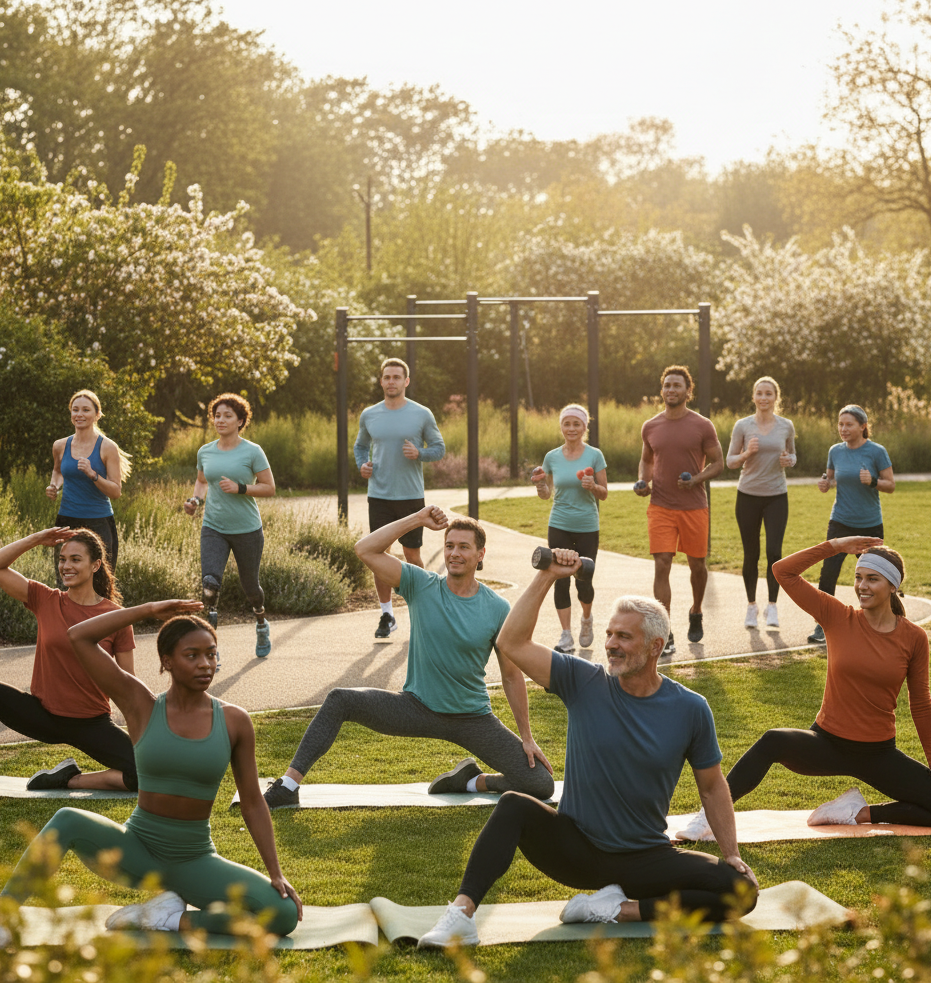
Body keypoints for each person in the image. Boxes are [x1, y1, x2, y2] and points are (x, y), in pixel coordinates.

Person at [417, 551, 758, 948]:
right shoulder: (583, 680)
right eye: (610, 634)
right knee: (513, 804)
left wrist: (730, 852)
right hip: (576, 848)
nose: (610, 645)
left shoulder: (691, 708)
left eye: (623, 637)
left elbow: (713, 787)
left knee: (742, 891)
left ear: (655, 647)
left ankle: (613, 909)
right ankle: (460, 916)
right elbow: (511, 641)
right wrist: (547, 576)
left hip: (645, 857)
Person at [0, 601, 301, 941]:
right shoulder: (141, 705)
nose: (205, 664)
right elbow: (79, 637)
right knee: (67, 819)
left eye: (211, 654)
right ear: (166, 661)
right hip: (137, 850)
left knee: (283, 915)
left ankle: (166, 919)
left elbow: (253, 802)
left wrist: (275, 872)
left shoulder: (234, 721)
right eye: (192, 655)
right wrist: (149, 610)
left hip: (194, 859)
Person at [263, 507, 554, 810]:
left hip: (472, 717)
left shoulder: (497, 608)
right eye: (449, 545)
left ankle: (469, 781)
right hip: (417, 707)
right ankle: (289, 785)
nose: (454, 553)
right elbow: (365, 549)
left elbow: (510, 675)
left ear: (480, 554)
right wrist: (417, 519)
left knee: (540, 784)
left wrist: (527, 738)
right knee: (340, 699)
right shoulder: (422, 585)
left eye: (464, 547)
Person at [676, 537, 931, 842]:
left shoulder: (914, 638)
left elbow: (921, 702)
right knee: (772, 740)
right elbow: (782, 572)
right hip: (827, 745)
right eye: (857, 577)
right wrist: (836, 546)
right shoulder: (837, 616)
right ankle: (709, 815)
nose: (862, 586)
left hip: (878, 753)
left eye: (872, 579)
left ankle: (856, 812)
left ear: (893, 585)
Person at [0, 527, 137, 792]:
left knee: (143, 775)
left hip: (91, 722)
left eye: (75, 559)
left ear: (96, 565)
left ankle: (68, 778)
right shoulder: (46, 599)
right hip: (42, 714)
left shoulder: (116, 617)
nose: (66, 566)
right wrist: (36, 539)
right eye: (62, 559)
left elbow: (128, 685)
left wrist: (144, 734)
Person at [633, 366, 723, 652]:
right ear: (662, 390)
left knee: (697, 566)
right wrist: (642, 482)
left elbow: (719, 463)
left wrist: (696, 479)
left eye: (677, 385)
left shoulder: (702, 425)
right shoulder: (651, 426)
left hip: (694, 506)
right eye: (667, 385)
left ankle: (696, 610)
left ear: (688, 391)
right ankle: (665, 629)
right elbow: (647, 461)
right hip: (660, 504)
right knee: (662, 564)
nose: (671, 390)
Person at [354, 358, 445, 639]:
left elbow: (439, 448)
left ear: (406, 382)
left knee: (412, 555)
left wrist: (420, 453)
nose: (391, 381)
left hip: (411, 497)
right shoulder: (369, 414)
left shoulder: (421, 414)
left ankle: (423, 609)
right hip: (379, 495)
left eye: (397, 377)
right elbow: (360, 446)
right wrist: (362, 464)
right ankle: (386, 614)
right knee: (379, 555)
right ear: (381, 381)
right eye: (387, 377)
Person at [183, 393, 276, 659]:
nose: (220, 420)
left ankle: (261, 622)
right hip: (213, 527)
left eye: (227, 415)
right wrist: (195, 501)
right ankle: (210, 649)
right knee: (209, 586)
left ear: (240, 421)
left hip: (247, 529)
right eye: (217, 415)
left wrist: (241, 488)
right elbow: (201, 481)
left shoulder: (252, 451)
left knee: (251, 587)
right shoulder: (205, 451)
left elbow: (269, 488)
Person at [808, 404, 894, 644]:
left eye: (849, 424)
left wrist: (873, 481)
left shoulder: (877, 451)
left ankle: (881, 623)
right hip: (840, 522)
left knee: (876, 576)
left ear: (863, 426)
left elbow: (891, 485)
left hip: (869, 524)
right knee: (828, 573)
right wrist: (826, 484)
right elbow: (831, 478)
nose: (843, 429)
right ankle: (822, 626)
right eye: (840, 424)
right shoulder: (835, 451)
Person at [531, 403, 608, 653]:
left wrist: (593, 486)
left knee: (583, 580)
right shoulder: (551, 457)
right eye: (567, 423)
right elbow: (546, 494)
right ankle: (566, 635)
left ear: (585, 427)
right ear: (561, 426)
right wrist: (540, 486)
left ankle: (586, 619)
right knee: (559, 579)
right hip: (559, 524)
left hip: (587, 525)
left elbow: (604, 493)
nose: (571, 428)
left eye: (577, 424)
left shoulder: (594, 455)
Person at [726, 376, 796, 630]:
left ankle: (773, 606)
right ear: (754, 397)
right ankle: (751, 606)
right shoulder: (742, 426)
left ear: (776, 398)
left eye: (769, 393)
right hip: (748, 496)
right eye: (760, 393)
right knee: (751, 554)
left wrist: (790, 460)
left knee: (774, 553)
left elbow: (792, 454)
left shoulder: (786, 425)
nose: (764, 398)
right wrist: (747, 453)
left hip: (777, 495)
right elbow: (731, 461)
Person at [47, 389, 132, 574]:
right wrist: (54, 486)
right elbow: (57, 471)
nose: (79, 414)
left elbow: (116, 491)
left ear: (97, 414)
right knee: (66, 579)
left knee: (100, 582)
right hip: (67, 521)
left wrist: (93, 474)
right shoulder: (60, 445)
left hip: (98, 522)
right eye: (75, 410)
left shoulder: (108, 447)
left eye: (86, 410)